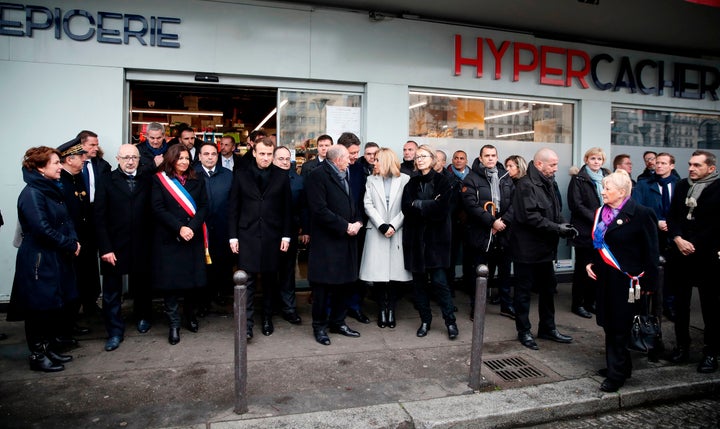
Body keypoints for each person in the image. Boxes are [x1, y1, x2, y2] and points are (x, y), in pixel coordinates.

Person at [9, 146, 81, 372]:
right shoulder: (32, 194)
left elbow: (65, 221)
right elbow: (42, 229)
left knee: (52, 305)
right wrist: (69, 243)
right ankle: (38, 355)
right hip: (38, 258)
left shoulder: (49, 189)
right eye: (56, 163)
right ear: (41, 168)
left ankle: (49, 347)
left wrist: (74, 240)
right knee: (38, 308)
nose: (61, 166)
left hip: (54, 256)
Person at [586, 169, 659, 392]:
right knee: (608, 323)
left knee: (619, 326)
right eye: (604, 187)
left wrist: (649, 284)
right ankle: (620, 366)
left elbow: (651, 251)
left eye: (607, 188)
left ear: (621, 192)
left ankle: (616, 374)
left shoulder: (641, 214)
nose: (603, 191)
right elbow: (599, 242)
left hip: (628, 282)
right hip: (606, 278)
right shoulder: (602, 212)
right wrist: (591, 262)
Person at [511, 148, 575, 350]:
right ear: (539, 164)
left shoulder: (549, 182)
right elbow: (530, 217)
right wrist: (558, 228)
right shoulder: (525, 185)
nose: (556, 168)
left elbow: (555, 210)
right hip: (526, 249)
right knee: (523, 293)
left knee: (548, 290)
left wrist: (565, 225)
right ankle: (524, 331)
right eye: (553, 164)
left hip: (546, 248)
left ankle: (548, 328)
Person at [228, 137, 292, 339]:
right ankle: (246, 326)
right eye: (262, 153)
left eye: (269, 154)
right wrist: (233, 237)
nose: (265, 158)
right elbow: (233, 208)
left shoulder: (282, 175)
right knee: (247, 281)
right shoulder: (240, 174)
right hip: (247, 234)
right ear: (254, 153)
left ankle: (266, 319)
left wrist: (286, 235)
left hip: (273, 235)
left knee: (270, 279)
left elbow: (287, 210)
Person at [95, 144, 154, 351]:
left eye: (134, 157)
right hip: (115, 245)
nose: (130, 161)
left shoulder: (148, 179)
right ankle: (114, 331)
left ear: (140, 159)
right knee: (111, 292)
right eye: (126, 157)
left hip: (142, 243)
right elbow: (99, 218)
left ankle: (143, 317)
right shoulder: (107, 180)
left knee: (143, 286)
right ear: (118, 159)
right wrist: (105, 248)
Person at [666, 150, 720, 373]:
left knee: (711, 307)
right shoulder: (681, 186)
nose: (691, 168)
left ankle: (710, 353)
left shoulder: (718, 188)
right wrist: (678, 239)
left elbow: (716, 224)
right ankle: (682, 346)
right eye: (690, 164)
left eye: (697, 165)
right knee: (680, 304)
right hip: (681, 254)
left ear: (711, 168)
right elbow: (672, 216)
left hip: (707, 255)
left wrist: (693, 243)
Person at [305, 144, 363, 345]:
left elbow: (352, 203)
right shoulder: (317, 176)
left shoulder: (344, 173)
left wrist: (358, 222)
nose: (350, 160)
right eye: (347, 157)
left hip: (347, 241)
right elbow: (319, 210)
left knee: (345, 285)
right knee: (322, 289)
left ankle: (338, 322)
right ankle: (319, 327)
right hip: (327, 243)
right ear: (338, 159)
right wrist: (345, 226)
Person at [151, 144, 208, 345]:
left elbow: (203, 206)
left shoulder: (197, 178)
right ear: (171, 159)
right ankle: (174, 323)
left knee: (191, 283)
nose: (183, 162)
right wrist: (179, 228)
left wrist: (191, 227)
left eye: (186, 158)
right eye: (179, 158)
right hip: (170, 238)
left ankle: (190, 317)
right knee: (171, 285)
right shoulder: (159, 180)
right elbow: (157, 208)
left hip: (192, 237)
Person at [402, 145, 458, 340]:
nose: (419, 159)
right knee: (419, 285)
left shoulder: (444, 181)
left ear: (433, 159)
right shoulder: (411, 183)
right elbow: (406, 209)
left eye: (423, 156)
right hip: (416, 239)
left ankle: (450, 322)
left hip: (437, 240)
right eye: (417, 157)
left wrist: (419, 205)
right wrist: (429, 204)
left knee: (440, 283)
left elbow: (442, 209)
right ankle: (425, 320)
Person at [359, 148, 412, 328]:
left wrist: (393, 225)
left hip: (398, 231)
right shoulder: (370, 180)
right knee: (379, 275)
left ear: (387, 161)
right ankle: (382, 309)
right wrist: (382, 225)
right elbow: (368, 204)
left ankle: (392, 310)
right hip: (376, 231)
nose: (374, 163)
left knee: (395, 275)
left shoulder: (405, 180)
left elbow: (407, 207)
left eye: (377, 160)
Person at [462, 144, 516, 319]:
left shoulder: (505, 176)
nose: (491, 158)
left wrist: (503, 221)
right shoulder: (471, 178)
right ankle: (476, 308)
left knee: (505, 271)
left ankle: (506, 306)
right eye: (487, 155)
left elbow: (516, 203)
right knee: (479, 272)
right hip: (482, 232)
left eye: (493, 155)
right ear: (480, 158)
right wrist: (492, 223)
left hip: (504, 230)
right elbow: (471, 205)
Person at [633, 152, 680, 323]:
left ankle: (669, 307)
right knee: (649, 274)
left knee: (671, 276)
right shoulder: (644, 185)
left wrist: (672, 225)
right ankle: (644, 314)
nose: (659, 165)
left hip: (673, 238)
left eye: (663, 163)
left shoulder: (679, 185)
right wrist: (657, 222)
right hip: (651, 237)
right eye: (657, 162)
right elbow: (636, 210)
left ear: (671, 166)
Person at [567, 147, 610, 319]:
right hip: (585, 230)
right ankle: (577, 304)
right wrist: (597, 217)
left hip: (603, 230)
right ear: (586, 160)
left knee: (598, 267)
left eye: (599, 159)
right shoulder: (579, 179)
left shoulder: (607, 177)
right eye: (593, 158)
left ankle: (590, 302)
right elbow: (576, 205)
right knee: (582, 269)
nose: (596, 162)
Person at [194, 141, 234, 316]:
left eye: (213, 154)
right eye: (206, 154)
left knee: (221, 263)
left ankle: (220, 293)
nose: (210, 157)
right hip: (199, 230)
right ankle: (202, 300)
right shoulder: (192, 175)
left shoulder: (228, 175)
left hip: (222, 227)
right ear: (199, 156)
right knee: (201, 265)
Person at [339, 132, 371, 324]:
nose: (355, 156)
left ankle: (355, 306)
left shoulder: (359, 170)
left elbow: (362, 200)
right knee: (338, 272)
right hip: (337, 229)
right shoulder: (327, 169)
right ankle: (335, 308)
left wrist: (358, 222)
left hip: (357, 229)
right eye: (352, 153)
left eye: (357, 152)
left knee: (356, 271)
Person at [77, 130, 110, 318]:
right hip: (78, 219)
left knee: (98, 260)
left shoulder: (102, 166)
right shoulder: (69, 166)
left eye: (97, 144)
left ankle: (91, 302)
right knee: (82, 262)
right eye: (92, 145)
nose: (96, 148)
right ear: (81, 145)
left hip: (97, 215)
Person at [273, 145, 305, 325]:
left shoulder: (298, 180)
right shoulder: (265, 178)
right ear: (273, 160)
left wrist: (304, 228)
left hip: (290, 232)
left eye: (287, 159)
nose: (285, 162)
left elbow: (304, 206)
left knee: (287, 271)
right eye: (281, 159)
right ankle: (271, 306)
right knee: (270, 271)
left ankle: (289, 308)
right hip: (269, 232)